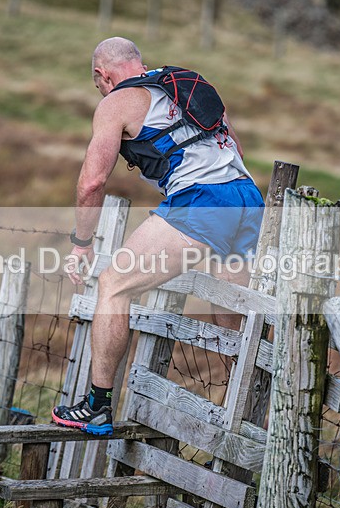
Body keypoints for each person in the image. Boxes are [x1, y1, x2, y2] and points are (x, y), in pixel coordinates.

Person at [52, 37, 264, 435]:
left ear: (103, 74)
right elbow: (231, 143)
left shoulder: (116, 102)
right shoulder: (187, 82)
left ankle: (98, 406)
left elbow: (92, 182)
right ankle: (250, 417)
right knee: (233, 313)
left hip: (202, 198)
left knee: (114, 284)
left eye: (97, 82)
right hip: (246, 196)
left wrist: (81, 244)